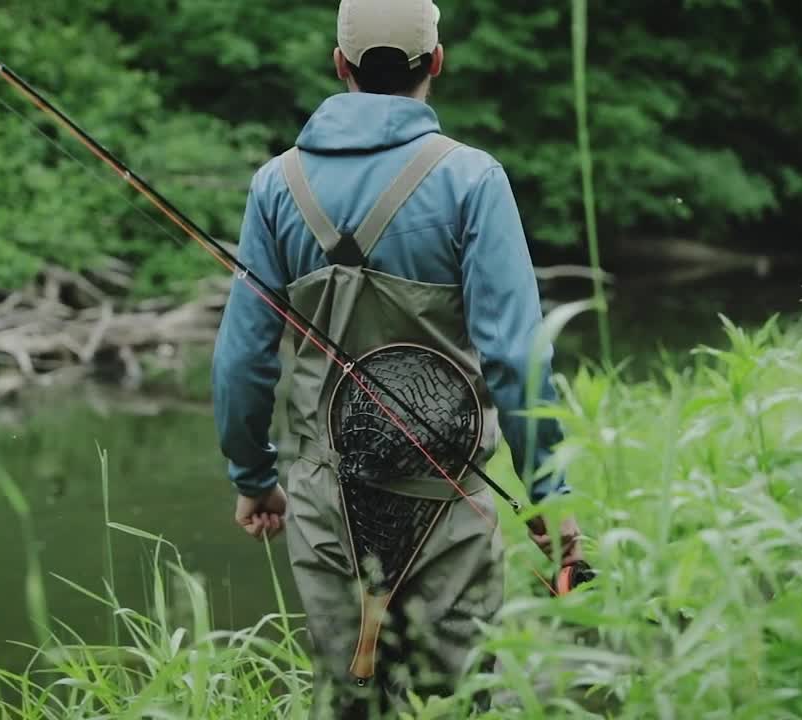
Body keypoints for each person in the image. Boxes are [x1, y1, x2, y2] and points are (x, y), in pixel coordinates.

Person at [211, 0, 581, 715]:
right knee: (462, 699)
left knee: (352, 700)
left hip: (325, 501)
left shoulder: (275, 187)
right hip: (447, 499)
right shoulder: (472, 180)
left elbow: (242, 361)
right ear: (435, 61)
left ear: (339, 64)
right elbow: (516, 358)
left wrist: (252, 475)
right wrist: (549, 493)